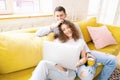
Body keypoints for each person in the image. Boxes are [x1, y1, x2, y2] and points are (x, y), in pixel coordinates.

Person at [32, 6, 117, 80]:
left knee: (112, 60)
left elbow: (81, 41)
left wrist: (87, 53)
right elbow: (38, 33)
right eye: (57, 16)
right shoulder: (55, 29)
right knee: (43, 64)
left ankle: (93, 67)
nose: (59, 18)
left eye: (61, 15)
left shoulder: (73, 25)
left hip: (81, 52)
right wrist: (52, 27)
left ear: (65, 15)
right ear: (54, 17)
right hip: (66, 62)